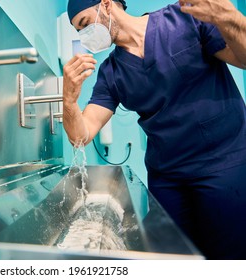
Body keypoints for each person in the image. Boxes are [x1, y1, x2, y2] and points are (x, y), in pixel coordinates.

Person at [63, 0, 246, 259]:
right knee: (172, 260)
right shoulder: (111, 73)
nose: (84, 36)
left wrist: (232, 19)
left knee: (230, 256)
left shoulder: (184, 19)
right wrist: (69, 101)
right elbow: (81, 135)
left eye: (84, 24)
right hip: (168, 178)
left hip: (225, 163)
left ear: (106, 5)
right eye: (79, 31)